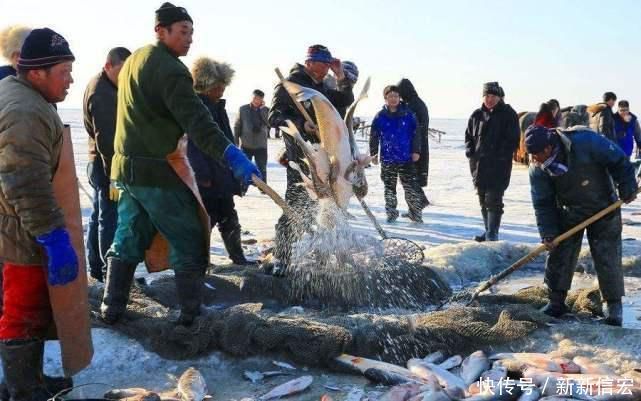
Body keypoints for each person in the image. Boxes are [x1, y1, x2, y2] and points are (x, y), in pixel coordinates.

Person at [100, 2, 261, 326]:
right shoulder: (170, 68)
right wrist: (232, 155)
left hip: (127, 170)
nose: (189, 39)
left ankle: (111, 306)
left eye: (191, 32)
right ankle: (191, 313)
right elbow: (199, 123)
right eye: (182, 32)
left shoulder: (135, 60)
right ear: (161, 30)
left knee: (130, 236)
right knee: (189, 236)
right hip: (157, 170)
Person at [0, 27, 77, 400]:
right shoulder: (25, 111)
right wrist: (53, 235)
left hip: (15, 218)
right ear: (37, 73)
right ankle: (22, 390)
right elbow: (24, 180)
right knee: (23, 307)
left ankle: (28, 380)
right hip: (17, 226)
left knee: (26, 305)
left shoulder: (24, 95)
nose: (71, 80)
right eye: (64, 72)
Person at [525, 125, 638, 326]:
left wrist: (627, 185)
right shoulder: (538, 169)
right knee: (560, 254)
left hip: (604, 205)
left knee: (607, 255)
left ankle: (613, 306)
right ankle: (556, 301)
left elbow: (619, 161)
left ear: (548, 148)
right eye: (531, 155)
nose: (534, 159)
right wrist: (548, 233)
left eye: (537, 154)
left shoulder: (585, 141)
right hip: (569, 211)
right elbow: (543, 203)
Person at [267, 44, 354, 272]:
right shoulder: (289, 85)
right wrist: (301, 124)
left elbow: (345, 100)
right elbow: (274, 117)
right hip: (299, 155)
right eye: (323, 64)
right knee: (296, 202)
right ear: (309, 62)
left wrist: (341, 76)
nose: (326, 69)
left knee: (323, 205)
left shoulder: (322, 86)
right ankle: (282, 258)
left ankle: (320, 253)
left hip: (322, 157)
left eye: (328, 65)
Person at [188, 57, 256, 266]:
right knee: (204, 220)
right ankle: (199, 262)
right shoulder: (196, 106)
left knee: (229, 215)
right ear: (207, 86)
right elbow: (191, 144)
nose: (221, 91)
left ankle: (237, 257)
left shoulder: (218, 106)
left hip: (222, 173)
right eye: (218, 87)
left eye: (223, 87)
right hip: (206, 177)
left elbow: (226, 138)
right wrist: (202, 175)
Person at [83, 47, 131, 283]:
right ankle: (107, 273)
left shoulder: (110, 86)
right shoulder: (102, 92)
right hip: (105, 164)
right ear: (108, 65)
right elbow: (106, 138)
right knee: (109, 219)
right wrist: (115, 174)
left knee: (98, 217)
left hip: (98, 162)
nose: (125, 77)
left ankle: (96, 268)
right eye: (122, 70)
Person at [465, 82, 520, 242]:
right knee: (482, 199)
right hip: (478, 165)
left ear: (499, 97)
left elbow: (513, 139)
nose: (489, 99)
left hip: (498, 165)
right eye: (487, 96)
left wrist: (502, 155)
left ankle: (492, 233)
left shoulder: (508, 114)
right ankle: (488, 230)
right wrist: (470, 151)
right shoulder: (477, 115)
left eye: (493, 96)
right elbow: (469, 136)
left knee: (494, 200)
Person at [370, 85, 426, 223]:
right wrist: (374, 153)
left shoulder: (408, 114)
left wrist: (416, 151)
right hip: (388, 158)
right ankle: (391, 213)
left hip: (406, 157)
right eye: (390, 96)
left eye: (396, 96)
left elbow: (416, 134)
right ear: (385, 98)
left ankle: (415, 213)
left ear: (399, 97)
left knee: (410, 188)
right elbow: (374, 136)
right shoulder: (380, 116)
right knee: (389, 188)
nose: (393, 99)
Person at [397, 78, 430, 192]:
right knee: (411, 181)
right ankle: (415, 208)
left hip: (415, 148)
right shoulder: (414, 103)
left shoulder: (414, 105)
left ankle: (415, 208)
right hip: (416, 146)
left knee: (411, 180)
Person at [234, 89, 269, 183]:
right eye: (255, 98)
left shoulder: (266, 110)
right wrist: (236, 141)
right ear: (252, 97)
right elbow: (237, 125)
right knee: (244, 169)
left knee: (262, 169)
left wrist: (262, 110)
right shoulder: (243, 109)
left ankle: (263, 189)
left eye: (259, 99)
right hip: (246, 145)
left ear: (262, 100)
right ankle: (242, 188)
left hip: (261, 145)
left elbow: (269, 123)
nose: (256, 101)